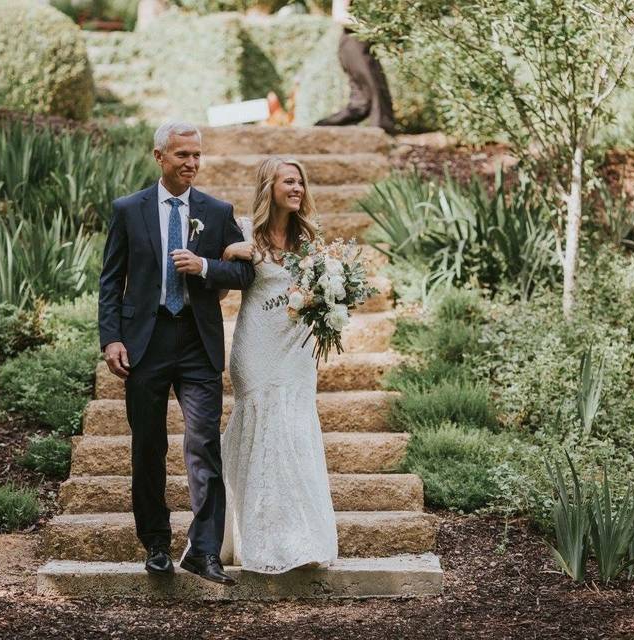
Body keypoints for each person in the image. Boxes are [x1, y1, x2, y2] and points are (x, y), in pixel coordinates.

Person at [98, 121, 255, 585]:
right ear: (159, 156)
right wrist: (112, 338)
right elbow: (110, 281)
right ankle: (156, 545)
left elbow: (243, 275)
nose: (191, 163)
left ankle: (204, 551)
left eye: (196, 156)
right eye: (182, 155)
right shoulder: (128, 210)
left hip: (196, 341)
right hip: (144, 344)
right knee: (148, 447)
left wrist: (204, 266)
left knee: (203, 445)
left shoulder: (217, 209)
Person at [218, 157, 339, 573]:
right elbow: (218, 292)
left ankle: (298, 539)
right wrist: (228, 253)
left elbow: (324, 292)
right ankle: (257, 539)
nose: (298, 188)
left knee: (293, 432)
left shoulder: (310, 240)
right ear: (269, 186)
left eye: (301, 182)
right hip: (257, 349)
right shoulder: (244, 233)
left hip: (298, 351)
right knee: (264, 431)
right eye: (289, 181)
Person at [314, 0, 396, 134]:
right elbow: (339, 15)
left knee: (361, 102)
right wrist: (369, 28)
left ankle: (322, 127)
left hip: (363, 44)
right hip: (354, 43)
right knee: (376, 89)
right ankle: (383, 135)